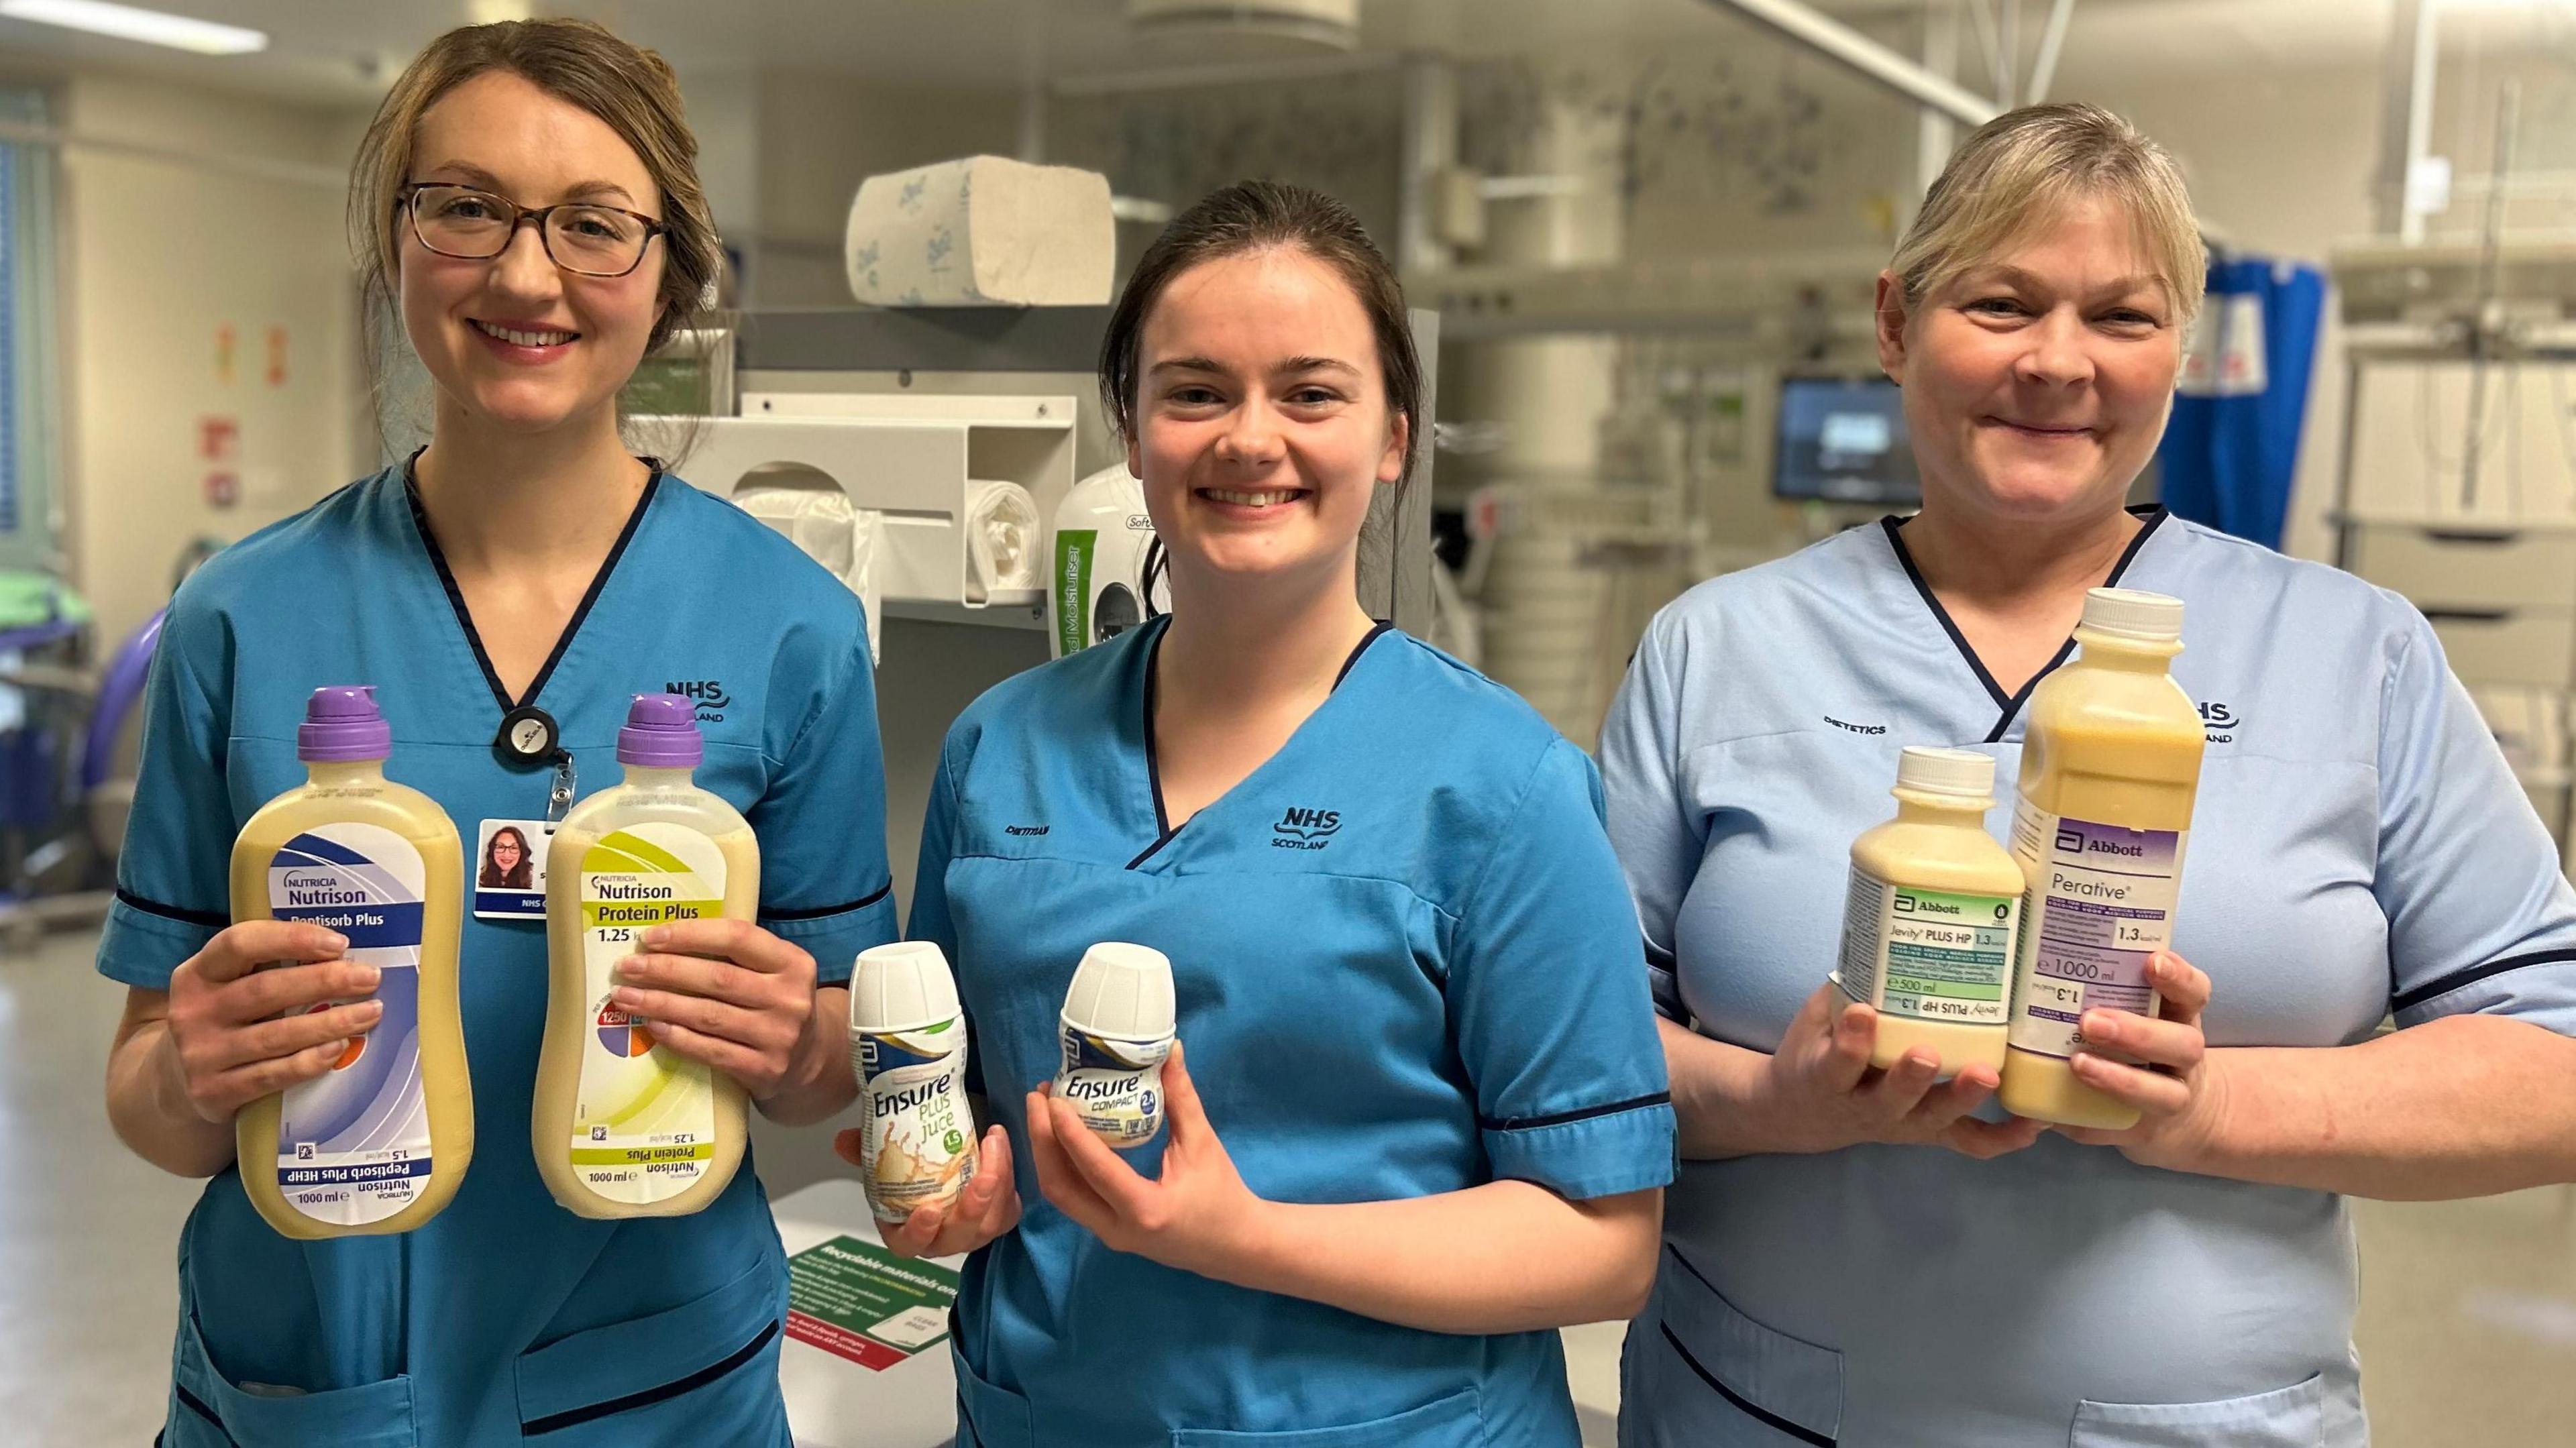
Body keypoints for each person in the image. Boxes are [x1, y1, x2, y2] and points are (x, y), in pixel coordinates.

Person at [1601, 102, 2576, 1447]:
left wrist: (2219, 1106)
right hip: (1768, 1411)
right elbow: (1570, 1052)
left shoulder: (2356, 654)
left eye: (2123, 315)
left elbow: (2553, 1058)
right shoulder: (1720, 646)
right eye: (2002, 302)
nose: (2059, 363)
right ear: (1895, 324)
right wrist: (1779, 1099)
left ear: (2182, 350)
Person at [99, 20, 895, 1445]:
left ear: (669, 277)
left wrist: (795, 1039)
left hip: (649, 1375)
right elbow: (154, 1092)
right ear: (396, 242)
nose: (526, 274)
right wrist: (194, 1067)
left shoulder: (792, 629)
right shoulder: (240, 616)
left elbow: (834, 1051)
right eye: (466, 206)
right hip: (316, 1364)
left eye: (594, 225)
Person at [866, 180, 1674, 1446]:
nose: (1251, 437)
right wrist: (957, 1188)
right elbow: (961, 1098)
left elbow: (1600, 1239)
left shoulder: (1501, 785)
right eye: (1195, 391)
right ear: (1130, 431)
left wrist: (1242, 1235)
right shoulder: (1000, 748)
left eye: (1311, 392)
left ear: (1395, 434)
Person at [479, 823, 534, 889]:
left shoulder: (533, 881)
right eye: (501, 847)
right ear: (492, 851)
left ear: (522, 852)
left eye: (514, 848)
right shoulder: (479, 880)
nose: (506, 855)